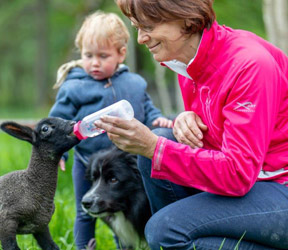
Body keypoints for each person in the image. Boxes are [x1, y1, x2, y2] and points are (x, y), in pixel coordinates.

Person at [94, 0, 288, 249]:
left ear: (186, 18)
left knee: (164, 229)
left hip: (278, 185)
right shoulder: (187, 61)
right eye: (137, 27)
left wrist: (155, 147)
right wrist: (184, 120)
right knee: (159, 146)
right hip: (255, 181)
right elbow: (226, 131)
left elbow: (238, 174)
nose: (141, 38)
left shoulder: (249, 65)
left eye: (149, 26)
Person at [49, 10, 172, 250]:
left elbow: (147, 108)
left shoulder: (134, 83)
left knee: (120, 206)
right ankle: (84, 247)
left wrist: (159, 121)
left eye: (103, 56)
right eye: (88, 55)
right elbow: (58, 123)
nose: (94, 62)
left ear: (120, 54)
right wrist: (59, 153)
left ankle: (125, 245)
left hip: (129, 163)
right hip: (88, 164)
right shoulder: (74, 88)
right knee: (85, 212)